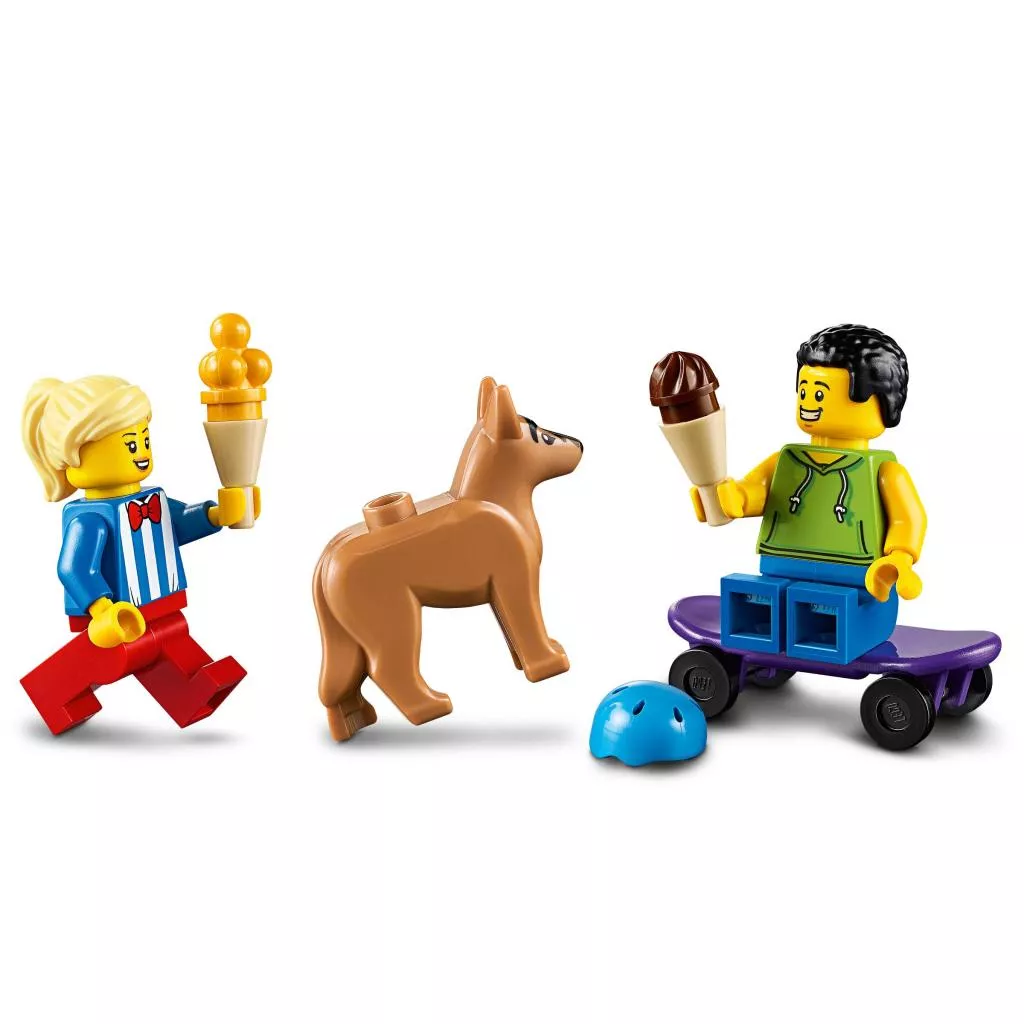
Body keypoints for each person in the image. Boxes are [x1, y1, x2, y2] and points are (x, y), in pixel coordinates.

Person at [20, 375, 255, 733]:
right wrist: (101, 608)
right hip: (119, 619)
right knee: (125, 653)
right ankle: (52, 694)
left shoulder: (151, 500)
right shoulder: (90, 517)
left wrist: (216, 515)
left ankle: (193, 692)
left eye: (145, 440)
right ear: (75, 454)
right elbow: (73, 568)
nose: (143, 452)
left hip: (160, 603)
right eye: (130, 445)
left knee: (168, 640)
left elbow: (178, 523)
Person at [693, 325, 926, 664]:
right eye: (804, 391)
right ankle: (769, 638)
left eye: (820, 395)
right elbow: (756, 492)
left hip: (858, 584)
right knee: (770, 611)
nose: (808, 403)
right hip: (778, 573)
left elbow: (909, 518)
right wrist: (732, 498)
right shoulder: (786, 461)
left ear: (880, 402)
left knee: (838, 613)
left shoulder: (884, 472)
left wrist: (900, 557)